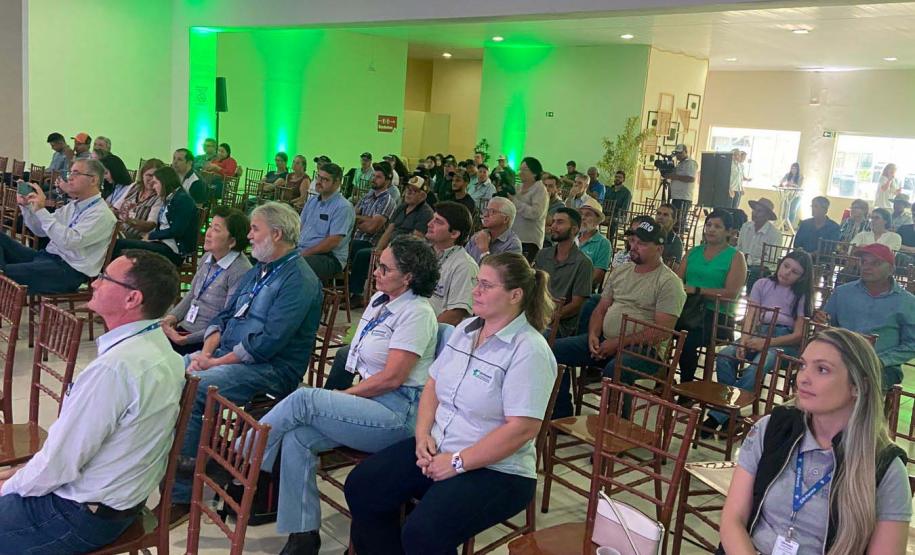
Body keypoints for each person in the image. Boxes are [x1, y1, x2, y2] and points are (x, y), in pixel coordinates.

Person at [344, 252, 558, 554]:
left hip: (497, 469)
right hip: (440, 447)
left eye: (486, 285)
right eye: (476, 283)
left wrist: (458, 462)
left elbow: (522, 429)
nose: (475, 291)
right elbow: (433, 385)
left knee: (424, 533)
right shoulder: (466, 330)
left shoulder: (529, 350)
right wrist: (422, 436)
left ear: (515, 295)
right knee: (363, 486)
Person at [258, 237, 439, 555]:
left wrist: (345, 394)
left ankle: (246, 459)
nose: (376, 272)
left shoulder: (417, 313)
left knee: (304, 399)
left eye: (385, 268)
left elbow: (392, 379)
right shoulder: (381, 301)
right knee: (298, 437)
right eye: (378, 265)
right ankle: (303, 535)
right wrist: (349, 395)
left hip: (399, 413)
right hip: (372, 401)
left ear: (408, 277)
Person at [0, 250, 185, 554]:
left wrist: (9, 486)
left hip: (80, 514)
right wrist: (23, 472)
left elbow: (60, 465)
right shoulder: (161, 350)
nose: (95, 283)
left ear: (132, 299)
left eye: (105, 278)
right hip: (116, 501)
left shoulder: (115, 368)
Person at [170, 201, 323, 511]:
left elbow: (267, 344)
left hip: (271, 369)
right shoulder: (260, 270)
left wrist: (214, 363)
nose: (249, 236)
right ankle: (176, 457)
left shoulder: (299, 280)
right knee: (169, 372)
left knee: (196, 386)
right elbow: (224, 315)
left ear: (276, 234)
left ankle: (181, 494)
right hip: (226, 354)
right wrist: (206, 353)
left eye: (255, 229)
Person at [719, 328, 911, 555]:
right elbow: (733, 519)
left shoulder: (884, 467)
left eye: (822, 369)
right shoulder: (772, 428)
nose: (802, 378)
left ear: (859, 386)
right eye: (803, 365)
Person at [551, 218, 685, 418]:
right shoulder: (621, 271)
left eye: (642, 243)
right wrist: (593, 335)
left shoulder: (669, 282)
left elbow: (661, 332)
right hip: (607, 339)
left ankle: (616, 426)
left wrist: (618, 343)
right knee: (552, 350)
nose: (634, 247)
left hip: (645, 350)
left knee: (615, 370)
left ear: (659, 249)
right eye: (633, 241)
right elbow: (601, 309)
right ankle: (561, 415)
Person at [704, 251, 814, 436]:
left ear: (802, 278)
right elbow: (751, 316)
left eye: (795, 272)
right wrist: (744, 340)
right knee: (724, 355)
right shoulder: (762, 284)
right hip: (758, 333)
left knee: (760, 362)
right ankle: (732, 415)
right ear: (780, 263)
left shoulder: (800, 295)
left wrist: (767, 343)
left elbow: (798, 335)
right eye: (786, 266)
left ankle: (719, 414)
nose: (787, 273)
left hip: (784, 341)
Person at [2, 159, 116, 294]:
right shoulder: (73, 206)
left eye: (76, 173)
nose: (70, 178)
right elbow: (40, 231)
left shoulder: (102, 214)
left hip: (67, 270)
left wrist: (41, 210)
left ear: (93, 180)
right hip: (46, 257)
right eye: (70, 173)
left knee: (3, 276)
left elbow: (69, 241)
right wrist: (27, 206)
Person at [816, 243, 915, 389]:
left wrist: (881, 360)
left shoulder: (907, 302)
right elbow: (827, 326)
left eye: (876, 263)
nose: (867, 267)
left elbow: (912, 344)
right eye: (864, 262)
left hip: (882, 366)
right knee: (813, 375)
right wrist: (822, 322)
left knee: (854, 383)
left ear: (891, 269)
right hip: (841, 357)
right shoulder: (842, 293)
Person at [162, 206, 252, 354]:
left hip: (206, 341)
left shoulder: (240, 271)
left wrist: (186, 339)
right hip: (185, 330)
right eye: (210, 226)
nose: (208, 233)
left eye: (216, 229)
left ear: (232, 241)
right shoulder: (207, 257)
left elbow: (227, 321)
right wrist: (172, 317)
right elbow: (192, 295)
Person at [677, 209, 747, 384]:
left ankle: (686, 387)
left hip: (716, 316)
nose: (711, 229)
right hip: (688, 308)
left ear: (729, 232)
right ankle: (661, 376)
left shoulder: (735, 257)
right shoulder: (693, 252)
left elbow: (731, 293)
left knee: (687, 339)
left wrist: (698, 290)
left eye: (717, 226)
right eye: (708, 225)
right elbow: (677, 282)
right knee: (660, 327)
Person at [112, 166, 197, 266]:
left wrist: (151, 236)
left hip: (173, 251)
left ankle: (109, 273)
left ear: (164, 182)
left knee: (119, 244)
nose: (153, 187)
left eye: (156, 183)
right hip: (161, 243)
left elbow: (177, 231)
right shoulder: (171, 197)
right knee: (118, 243)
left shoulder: (183, 200)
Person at [533, 207, 593, 338]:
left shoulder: (583, 263)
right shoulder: (543, 254)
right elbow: (533, 287)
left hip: (560, 323)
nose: (553, 226)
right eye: (553, 221)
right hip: (537, 313)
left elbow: (577, 304)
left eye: (560, 222)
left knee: (531, 336)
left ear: (574, 229)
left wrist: (550, 316)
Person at [348, 162, 399, 306]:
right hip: (356, 237)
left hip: (372, 242)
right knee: (341, 243)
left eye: (378, 177)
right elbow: (352, 216)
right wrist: (366, 219)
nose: (374, 179)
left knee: (359, 251)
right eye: (374, 176)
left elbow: (372, 228)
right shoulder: (367, 196)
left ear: (387, 181)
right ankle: (342, 282)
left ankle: (356, 293)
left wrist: (360, 220)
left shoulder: (388, 201)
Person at [296, 163, 355, 280]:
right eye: (318, 177)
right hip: (303, 250)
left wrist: (304, 253)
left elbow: (332, 242)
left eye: (325, 179)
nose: (318, 182)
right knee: (270, 255)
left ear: (337, 183)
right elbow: (299, 226)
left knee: (295, 266)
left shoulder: (343, 207)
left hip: (330, 257)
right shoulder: (312, 201)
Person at [426, 201, 478, 326]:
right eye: (432, 219)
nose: (429, 224)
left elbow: (455, 315)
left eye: (438, 222)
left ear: (454, 233)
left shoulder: (465, 266)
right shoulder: (424, 253)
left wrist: (424, 332)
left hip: (434, 331)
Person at [376, 176, 434, 252]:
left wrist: (387, 252)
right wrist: (378, 250)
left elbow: (415, 241)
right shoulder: (402, 207)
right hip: (388, 248)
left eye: (414, 191)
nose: (408, 193)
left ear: (422, 196)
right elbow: (388, 232)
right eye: (408, 189)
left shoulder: (425, 213)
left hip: (404, 253)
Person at [737, 197, 782, 290]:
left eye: (759, 211)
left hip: (762, 267)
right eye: (754, 210)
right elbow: (739, 247)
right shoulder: (745, 227)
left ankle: (751, 296)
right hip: (743, 262)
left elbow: (771, 259)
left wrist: (750, 262)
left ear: (767, 216)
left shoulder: (775, 234)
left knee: (754, 272)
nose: (754, 213)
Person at [117, 159, 166, 240]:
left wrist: (128, 220)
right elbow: (116, 207)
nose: (152, 179)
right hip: (121, 232)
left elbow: (150, 226)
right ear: (142, 174)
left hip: (139, 239)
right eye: (149, 175)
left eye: (157, 176)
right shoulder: (134, 186)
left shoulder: (159, 197)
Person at [511, 157, 548, 262]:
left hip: (529, 240)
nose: (520, 172)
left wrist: (515, 202)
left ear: (535, 173)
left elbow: (536, 213)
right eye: (520, 169)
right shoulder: (518, 187)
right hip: (515, 237)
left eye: (524, 169)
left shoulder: (540, 189)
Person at [465, 196, 523, 264]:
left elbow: (502, 271)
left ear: (505, 219)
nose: (485, 215)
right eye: (486, 210)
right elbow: (463, 261)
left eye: (492, 212)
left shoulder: (512, 245)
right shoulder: (478, 236)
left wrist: (484, 250)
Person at [576, 197, 611, 287]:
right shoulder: (572, 238)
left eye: (588, 215)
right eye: (581, 214)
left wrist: (575, 286)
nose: (582, 218)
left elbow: (597, 277)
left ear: (597, 220)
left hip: (583, 289)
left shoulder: (603, 243)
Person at [669, 144, 698, 223]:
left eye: (680, 153)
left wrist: (675, 177)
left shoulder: (690, 163)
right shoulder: (680, 164)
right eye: (676, 153)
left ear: (685, 152)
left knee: (679, 221)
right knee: (674, 219)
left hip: (683, 197)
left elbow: (691, 178)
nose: (678, 155)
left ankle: (680, 231)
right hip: (676, 196)